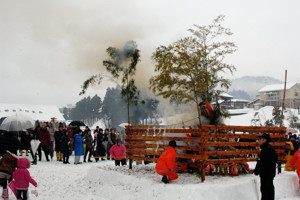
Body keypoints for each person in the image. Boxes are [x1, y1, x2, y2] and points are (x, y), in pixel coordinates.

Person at [254, 133, 278, 200]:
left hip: (266, 174)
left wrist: (257, 171)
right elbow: (276, 158)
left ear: (264, 140)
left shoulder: (265, 149)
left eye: (260, 139)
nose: (259, 140)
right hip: (270, 173)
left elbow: (263, 163)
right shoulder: (271, 148)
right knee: (270, 189)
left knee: (265, 190)